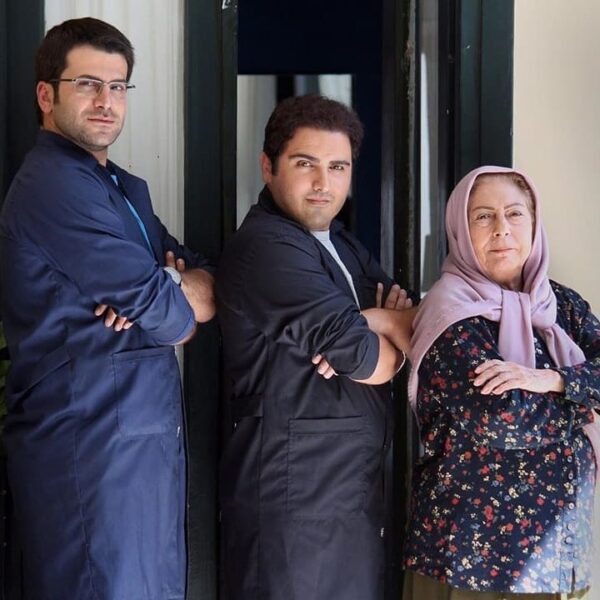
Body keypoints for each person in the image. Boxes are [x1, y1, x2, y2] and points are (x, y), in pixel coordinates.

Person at [0, 17, 215, 599]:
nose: (106, 101)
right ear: (46, 95)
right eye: (88, 84)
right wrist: (164, 297)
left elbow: (202, 281)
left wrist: (169, 282)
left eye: (117, 86)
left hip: (134, 449)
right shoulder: (53, 185)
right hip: (89, 448)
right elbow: (172, 317)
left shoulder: (120, 186)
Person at [216, 94, 415, 600]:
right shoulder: (266, 247)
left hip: (347, 495)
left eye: (338, 167)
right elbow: (365, 358)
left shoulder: (342, 245)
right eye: (306, 164)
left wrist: (377, 320)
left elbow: (413, 322)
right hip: (292, 504)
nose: (324, 183)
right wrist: (383, 333)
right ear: (268, 166)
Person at [403, 166, 600, 600]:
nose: (501, 229)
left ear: (534, 222)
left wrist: (552, 380)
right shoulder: (450, 314)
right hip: (470, 564)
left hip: (558, 554)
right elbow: (504, 419)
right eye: (483, 216)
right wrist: (585, 403)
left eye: (514, 213)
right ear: (460, 230)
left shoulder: (561, 304)